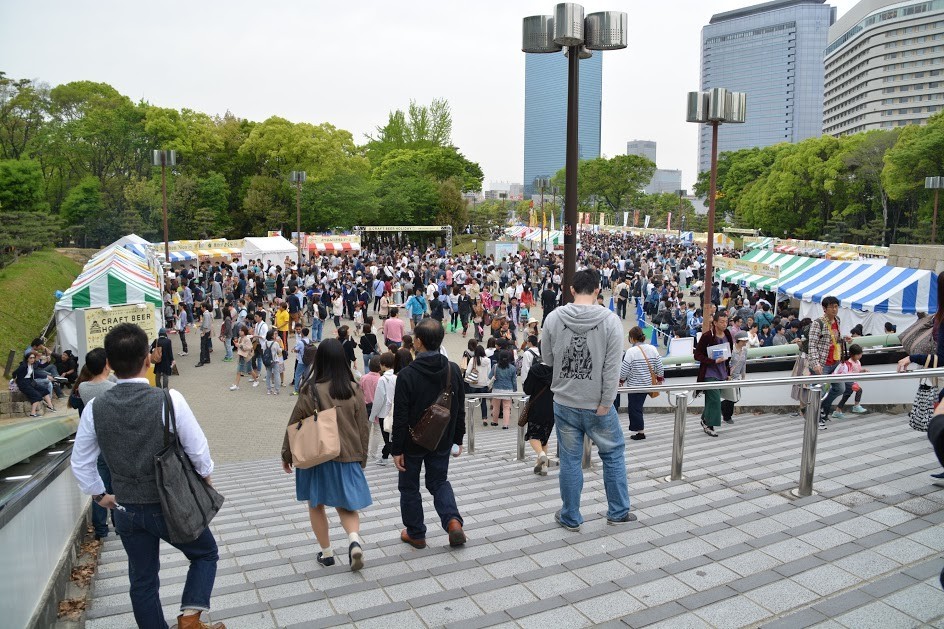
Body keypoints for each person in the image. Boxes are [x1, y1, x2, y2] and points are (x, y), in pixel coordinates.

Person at [70, 323, 222, 629]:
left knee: (142, 580)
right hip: (170, 504)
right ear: (147, 359)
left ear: (110, 364)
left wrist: (100, 495)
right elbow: (197, 448)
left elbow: (81, 461)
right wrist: (206, 476)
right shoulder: (169, 399)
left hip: (125, 507)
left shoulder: (95, 408)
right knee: (205, 553)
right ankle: (190, 618)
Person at [541, 268, 631, 531]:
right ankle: (618, 512)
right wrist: (606, 402)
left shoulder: (553, 318)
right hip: (597, 404)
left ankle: (570, 516)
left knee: (570, 460)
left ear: (571, 290)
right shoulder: (611, 321)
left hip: (564, 401)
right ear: (597, 290)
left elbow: (547, 359)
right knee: (612, 454)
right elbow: (612, 368)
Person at [281, 338, 371, 571]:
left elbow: (295, 422)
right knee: (346, 506)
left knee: (316, 505)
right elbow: (363, 426)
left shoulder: (311, 389)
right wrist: (362, 457)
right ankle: (354, 541)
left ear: (319, 360)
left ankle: (327, 553)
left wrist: (286, 454)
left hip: (317, 456)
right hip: (347, 455)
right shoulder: (354, 389)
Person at [391, 318, 467, 549]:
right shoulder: (453, 369)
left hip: (412, 442)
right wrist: (457, 439)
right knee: (438, 481)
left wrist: (397, 449)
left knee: (409, 487)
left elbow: (400, 416)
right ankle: (453, 521)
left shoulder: (407, 374)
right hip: (442, 439)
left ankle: (416, 533)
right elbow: (459, 408)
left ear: (419, 342)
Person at [74, 348, 117, 540]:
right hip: (113, 443)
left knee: (99, 487)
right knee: (116, 485)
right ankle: (119, 522)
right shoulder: (113, 386)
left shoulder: (83, 387)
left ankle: (101, 529)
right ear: (107, 364)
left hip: (96, 442)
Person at [807, 296, 850, 428]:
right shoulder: (817, 323)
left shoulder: (837, 320)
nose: (834, 309)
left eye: (836, 306)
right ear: (824, 308)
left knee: (840, 388)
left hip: (835, 361)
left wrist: (844, 339)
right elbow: (812, 345)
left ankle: (822, 408)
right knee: (818, 392)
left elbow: (834, 339)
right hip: (822, 362)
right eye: (831, 307)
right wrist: (816, 364)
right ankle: (815, 419)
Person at [619, 326, 664, 441]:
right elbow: (659, 365)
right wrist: (659, 379)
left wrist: (621, 380)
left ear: (632, 338)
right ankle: (640, 430)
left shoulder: (631, 352)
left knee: (635, 409)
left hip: (635, 386)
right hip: (648, 384)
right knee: (638, 407)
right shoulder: (652, 348)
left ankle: (640, 432)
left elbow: (624, 369)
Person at [694, 311, 734, 437]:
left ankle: (705, 419)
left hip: (722, 372)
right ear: (715, 322)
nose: (724, 324)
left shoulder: (727, 334)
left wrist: (728, 371)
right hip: (709, 373)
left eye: (726, 321)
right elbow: (697, 355)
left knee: (712, 399)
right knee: (715, 400)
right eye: (722, 322)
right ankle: (709, 424)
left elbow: (729, 352)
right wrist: (712, 361)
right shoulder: (707, 336)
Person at [523, 353, 554, 476]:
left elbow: (527, 389)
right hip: (552, 407)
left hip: (536, 406)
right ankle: (543, 467)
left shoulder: (535, 370)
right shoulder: (557, 369)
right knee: (544, 438)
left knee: (534, 435)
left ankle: (541, 455)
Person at [367, 352, 396, 464]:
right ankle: (384, 457)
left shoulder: (382, 379)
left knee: (387, 439)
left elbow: (378, 400)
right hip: (394, 411)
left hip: (384, 413)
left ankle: (397, 458)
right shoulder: (396, 377)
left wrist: (372, 415)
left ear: (383, 365)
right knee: (391, 437)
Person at [14, 351, 55, 416]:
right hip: (23, 383)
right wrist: (16, 380)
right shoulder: (23, 366)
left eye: (33, 358)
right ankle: (32, 413)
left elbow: (42, 366)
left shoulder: (33, 364)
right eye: (31, 358)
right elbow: (14, 373)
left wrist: (48, 361)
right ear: (27, 359)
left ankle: (50, 406)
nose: (32, 359)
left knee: (44, 390)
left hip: (30, 381)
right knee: (37, 395)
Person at [834, 343, 868, 418]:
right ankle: (856, 406)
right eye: (858, 354)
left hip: (852, 381)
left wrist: (863, 370)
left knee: (846, 396)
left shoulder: (858, 362)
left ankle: (837, 411)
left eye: (860, 354)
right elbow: (847, 373)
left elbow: (857, 371)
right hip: (848, 381)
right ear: (852, 355)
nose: (860, 356)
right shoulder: (848, 363)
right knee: (859, 390)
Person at [723, 331, 749, 425]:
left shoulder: (745, 350)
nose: (745, 343)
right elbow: (726, 363)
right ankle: (727, 416)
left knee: (736, 398)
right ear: (738, 341)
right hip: (729, 377)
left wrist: (743, 375)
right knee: (731, 397)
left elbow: (744, 363)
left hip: (737, 377)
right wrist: (727, 375)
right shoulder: (731, 350)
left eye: (746, 341)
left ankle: (721, 407)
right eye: (743, 341)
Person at [488, 347, 517, 429]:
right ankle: (505, 425)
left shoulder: (495, 366)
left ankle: (495, 421)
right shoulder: (512, 368)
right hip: (508, 389)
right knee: (506, 407)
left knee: (496, 406)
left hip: (497, 389)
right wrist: (515, 389)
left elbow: (489, 376)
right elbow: (514, 381)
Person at [464, 345, 491, 425]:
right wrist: (488, 383)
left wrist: (468, 378)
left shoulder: (473, 359)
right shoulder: (488, 360)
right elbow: (489, 373)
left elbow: (468, 371)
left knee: (471, 401)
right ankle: (484, 419)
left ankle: (470, 417)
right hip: (483, 384)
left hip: (473, 384)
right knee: (483, 402)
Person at [262, 330, 284, 395]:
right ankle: (276, 390)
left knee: (268, 375)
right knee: (276, 375)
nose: (275, 335)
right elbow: (279, 351)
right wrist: (280, 348)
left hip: (268, 361)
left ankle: (269, 390)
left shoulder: (265, 343)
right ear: (272, 336)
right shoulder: (275, 343)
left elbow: (263, 351)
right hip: (275, 360)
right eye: (274, 334)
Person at [195, 303, 213, 367]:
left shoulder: (205, 314)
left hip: (205, 332)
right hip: (208, 331)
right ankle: (207, 359)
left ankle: (201, 361)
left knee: (202, 347)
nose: (201, 308)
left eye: (201, 307)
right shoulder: (208, 313)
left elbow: (205, 325)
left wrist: (203, 333)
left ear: (204, 307)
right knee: (206, 346)